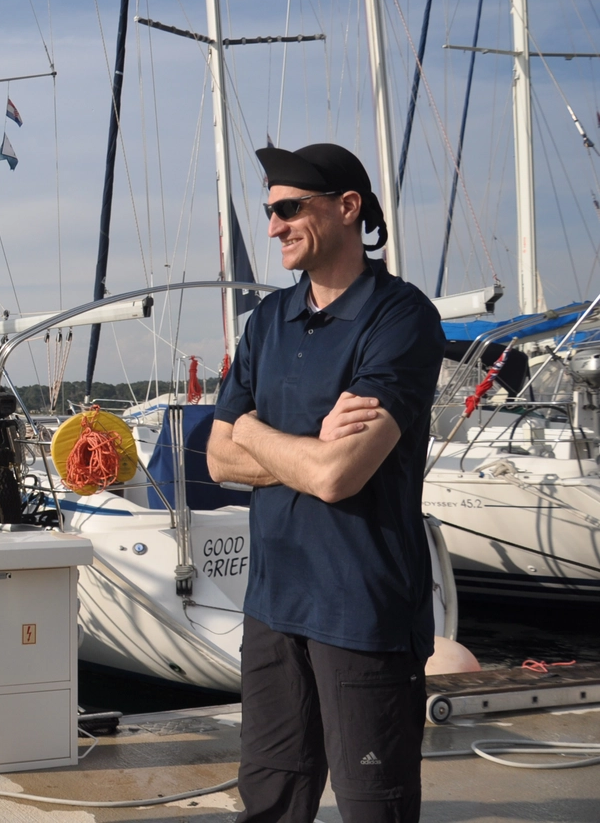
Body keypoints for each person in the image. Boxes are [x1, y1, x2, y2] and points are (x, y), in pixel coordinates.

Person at [206, 143, 444, 823]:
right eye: (269, 212)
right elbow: (219, 460)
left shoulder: (400, 318)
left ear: (348, 208)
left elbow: (339, 476)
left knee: (376, 809)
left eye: (288, 209)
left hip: (362, 611)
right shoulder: (266, 324)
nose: (274, 225)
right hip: (273, 604)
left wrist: (253, 429)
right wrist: (299, 448)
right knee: (269, 805)